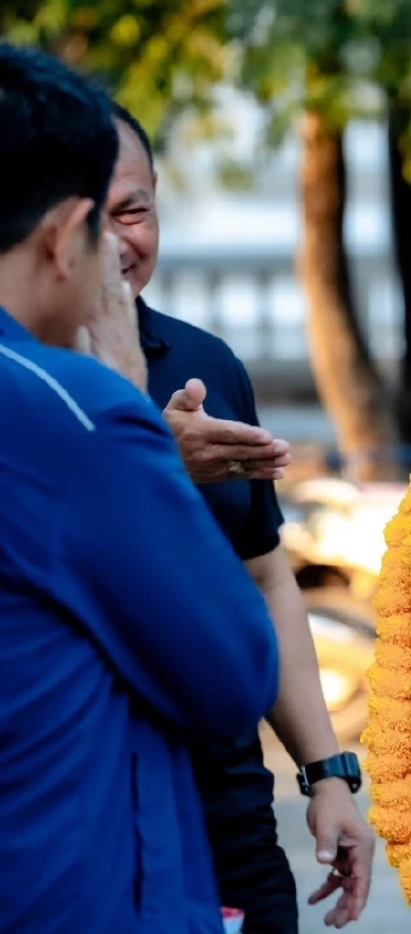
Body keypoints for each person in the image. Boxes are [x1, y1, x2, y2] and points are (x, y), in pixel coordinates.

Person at [0, 44, 279, 932]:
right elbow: (234, 670)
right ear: (62, 235)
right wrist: (133, 424)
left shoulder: (195, 364)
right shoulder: (73, 411)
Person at [83, 101, 377, 932]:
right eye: (86, 219)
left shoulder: (206, 368)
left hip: (227, 803)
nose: (116, 244)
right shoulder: (20, 383)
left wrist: (326, 774)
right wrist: (150, 470)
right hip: (73, 804)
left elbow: (262, 575)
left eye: (134, 212)